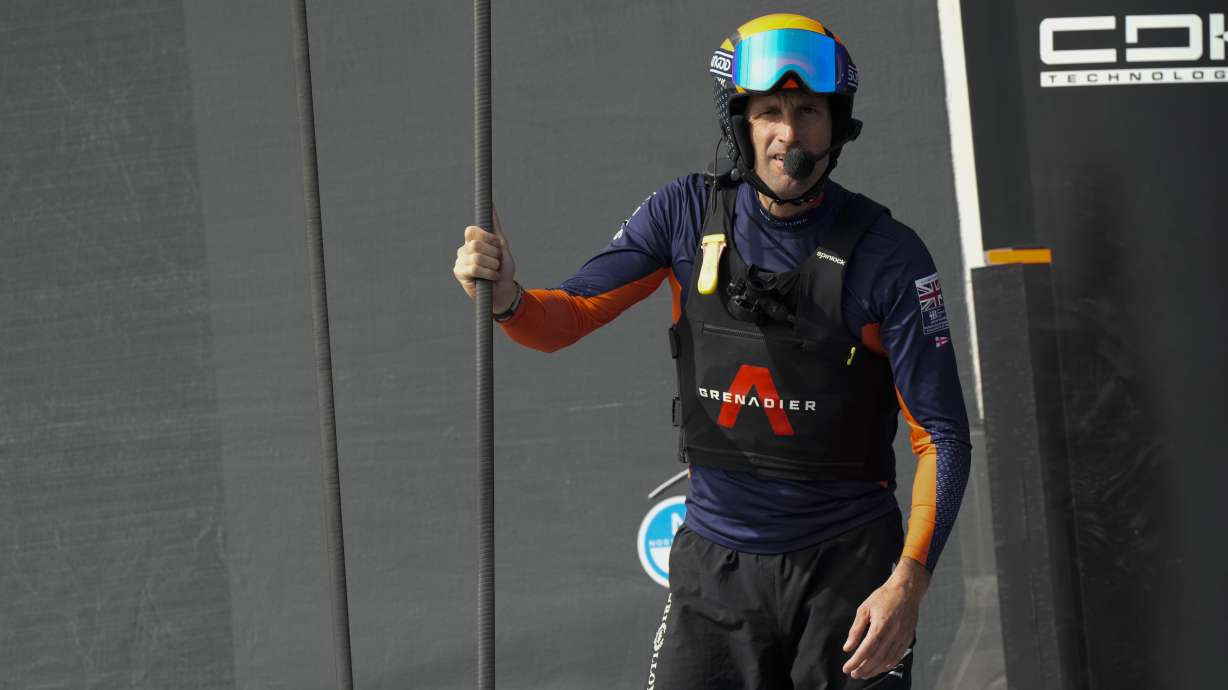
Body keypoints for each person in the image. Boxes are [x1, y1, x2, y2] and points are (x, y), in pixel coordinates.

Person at [452, 13, 971, 690]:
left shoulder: (890, 255)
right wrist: (505, 298)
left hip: (849, 574)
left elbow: (940, 437)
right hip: (715, 572)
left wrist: (908, 582)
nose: (789, 134)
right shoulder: (682, 214)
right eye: (770, 112)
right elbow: (564, 318)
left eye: (808, 112)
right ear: (739, 124)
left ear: (837, 125)